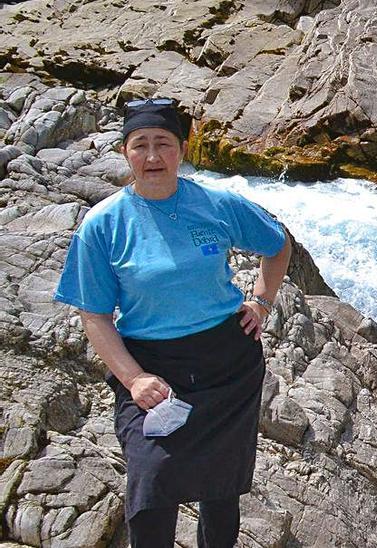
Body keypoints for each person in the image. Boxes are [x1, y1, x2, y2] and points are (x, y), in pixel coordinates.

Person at [53, 98, 293, 548]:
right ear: (125, 153)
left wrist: (261, 302)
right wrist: (134, 378)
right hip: (151, 367)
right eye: (140, 145)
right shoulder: (103, 225)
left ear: (182, 150)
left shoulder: (217, 204)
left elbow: (277, 245)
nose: (152, 156)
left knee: (222, 490)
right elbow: (95, 314)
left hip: (228, 363)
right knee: (151, 486)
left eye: (163, 143)